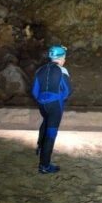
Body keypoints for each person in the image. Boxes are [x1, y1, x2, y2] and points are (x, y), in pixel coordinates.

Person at [32, 45, 72, 174]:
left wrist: (42, 99)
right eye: (64, 57)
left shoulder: (40, 70)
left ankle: (40, 146)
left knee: (45, 121)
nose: (64, 60)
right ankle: (44, 166)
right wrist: (58, 98)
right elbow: (67, 91)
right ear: (60, 58)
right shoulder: (62, 70)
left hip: (42, 104)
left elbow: (34, 91)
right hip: (55, 104)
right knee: (51, 134)